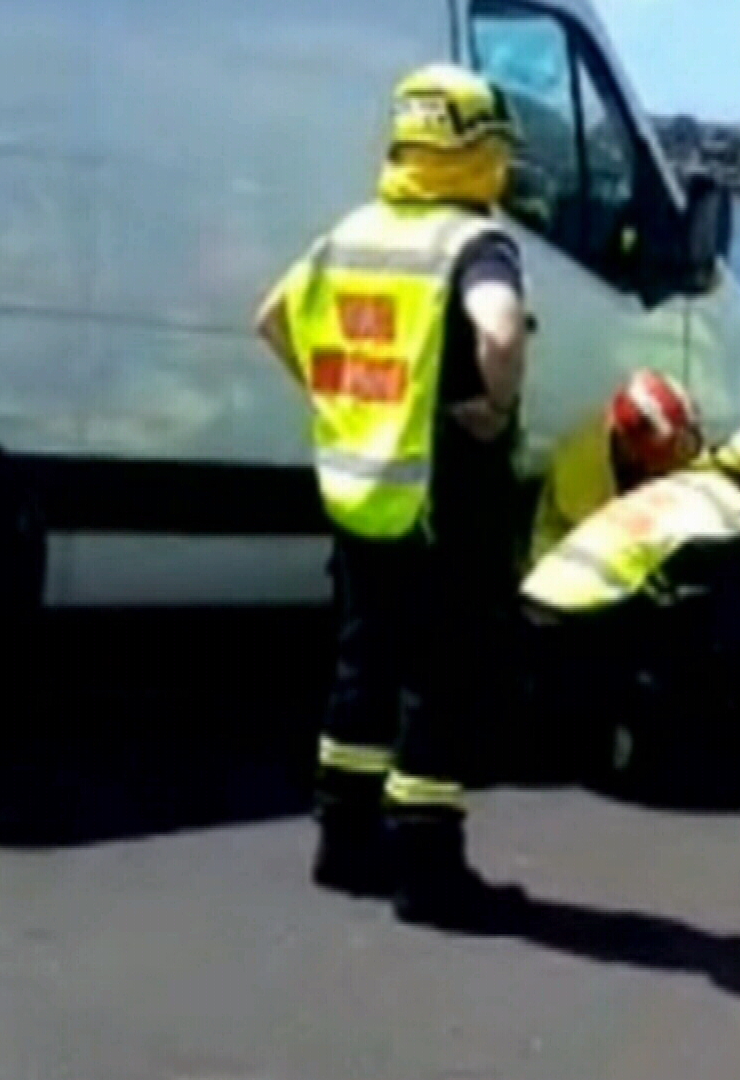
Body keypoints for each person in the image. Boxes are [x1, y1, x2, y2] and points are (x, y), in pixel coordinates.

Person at [251, 65, 531, 930]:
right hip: (445, 492)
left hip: (360, 484)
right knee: (441, 679)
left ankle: (342, 844)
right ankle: (428, 871)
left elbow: (272, 318)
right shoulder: (473, 243)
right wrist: (495, 407)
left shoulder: (352, 233)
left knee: (361, 664)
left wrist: (339, 399)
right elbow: (501, 328)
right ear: (474, 152)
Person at [520, 415, 740, 798]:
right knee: (726, 665)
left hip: (534, 618)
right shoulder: (738, 531)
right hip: (578, 649)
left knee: (686, 610)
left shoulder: (682, 485)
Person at [527, 369, 703, 565]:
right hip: (568, 567)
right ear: (633, 445)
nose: (673, 467)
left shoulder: (629, 446)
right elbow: (610, 547)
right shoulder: (584, 475)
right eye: (666, 457)